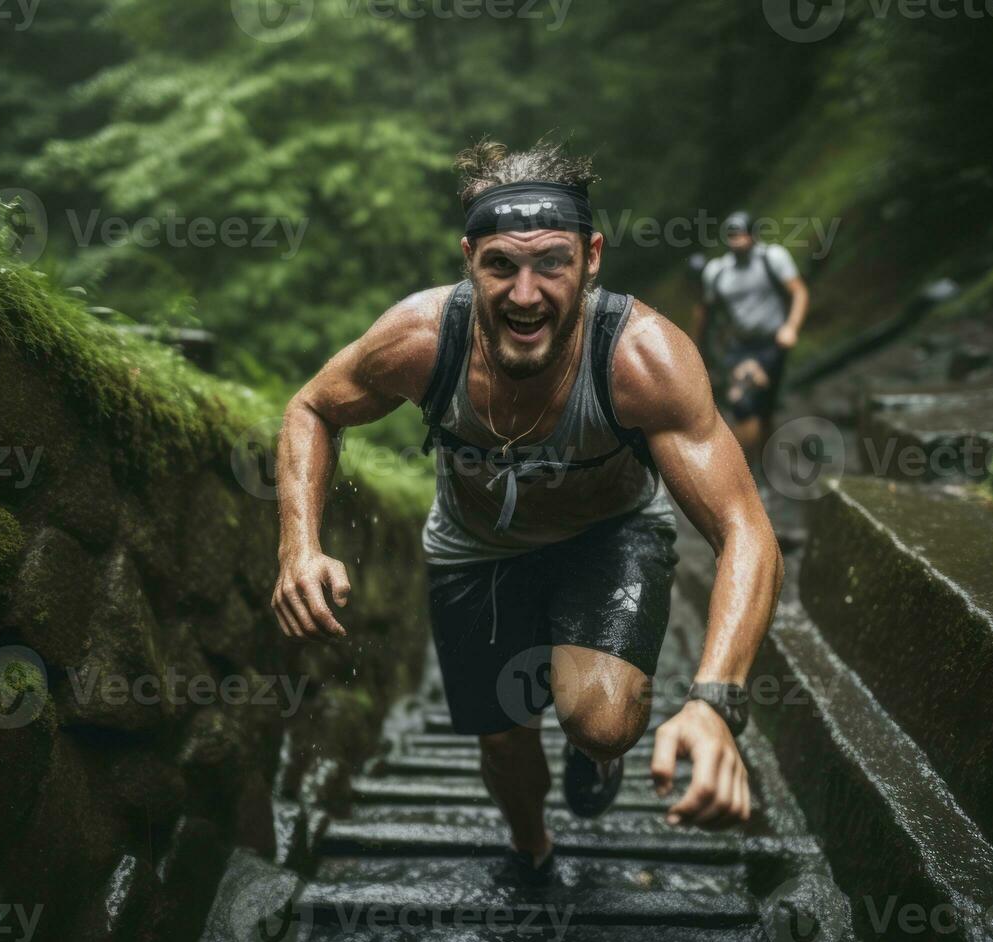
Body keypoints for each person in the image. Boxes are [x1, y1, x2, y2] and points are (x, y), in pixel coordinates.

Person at [272, 140, 783, 888]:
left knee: (602, 718)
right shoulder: (421, 338)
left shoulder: (642, 360)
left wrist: (713, 703)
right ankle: (532, 852)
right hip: (474, 549)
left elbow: (746, 531)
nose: (524, 293)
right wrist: (298, 546)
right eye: (500, 266)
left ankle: (595, 751)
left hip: (607, 538)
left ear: (592, 257)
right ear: (468, 257)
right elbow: (313, 407)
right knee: (504, 742)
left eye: (552, 262)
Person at [693, 212, 809, 466]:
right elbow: (706, 312)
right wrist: (698, 350)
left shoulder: (772, 258)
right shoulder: (717, 272)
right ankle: (746, 473)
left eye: (742, 234)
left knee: (764, 408)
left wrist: (791, 327)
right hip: (740, 347)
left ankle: (765, 468)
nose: (737, 241)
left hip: (773, 344)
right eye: (732, 235)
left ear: (754, 234)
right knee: (742, 402)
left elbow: (799, 291)